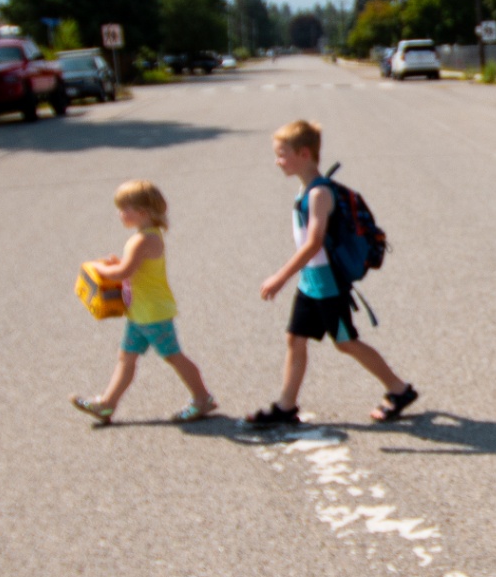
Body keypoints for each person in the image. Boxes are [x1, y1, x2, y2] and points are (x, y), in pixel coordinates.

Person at [245, 120, 417, 428]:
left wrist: (280, 277)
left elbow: (313, 243)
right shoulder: (308, 189)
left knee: (346, 342)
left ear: (304, 153)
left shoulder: (319, 194)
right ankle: (286, 406)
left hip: (328, 287)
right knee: (295, 339)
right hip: (311, 284)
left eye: (282, 154)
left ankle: (399, 389)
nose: (277, 160)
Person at [71, 180, 217, 425]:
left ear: (143, 212)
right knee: (126, 358)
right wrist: (116, 264)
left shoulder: (144, 240)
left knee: (173, 356)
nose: (120, 214)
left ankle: (203, 398)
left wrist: (96, 267)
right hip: (139, 312)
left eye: (124, 208)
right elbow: (130, 268)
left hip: (152, 313)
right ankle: (107, 404)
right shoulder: (145, 237)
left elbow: (122, 272)